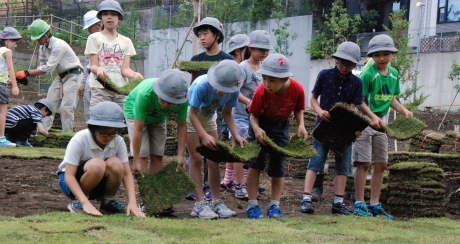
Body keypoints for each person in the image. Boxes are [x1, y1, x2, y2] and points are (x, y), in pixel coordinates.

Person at [299, 42, 381, 215]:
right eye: (342, 62)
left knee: (343, 166)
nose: (344, 67)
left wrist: (355, 129)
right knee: (315, 161)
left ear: (354, 64)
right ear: (336, 60)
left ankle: (338, 201)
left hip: (344, 132)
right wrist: (320, 111)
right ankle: (306, 198)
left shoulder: (356, 83)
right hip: (323, 128)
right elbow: (313, 98)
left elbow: (354, 107)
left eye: (349, 64)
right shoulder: (324, 75)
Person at [353, 34, 412, 220]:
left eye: (386, 54)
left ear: (392, 54)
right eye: (377, 54)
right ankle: (359, 203)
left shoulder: (394, 74)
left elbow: (391, 97)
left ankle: (375, 204)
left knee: (381, 163)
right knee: (363, 162)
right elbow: (358, 101)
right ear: (371, 55)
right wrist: (371, 117)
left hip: (381, 124)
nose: (381, 58)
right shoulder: (368, 74)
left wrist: (403, 110)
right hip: (364, 122)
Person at [56, 101, 145, 218]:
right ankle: (78, 203)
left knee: (117, 164)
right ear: (93, 129)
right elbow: (69, 176)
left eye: (113, 133)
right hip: (70, 182)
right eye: (103, 133)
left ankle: (108, 202)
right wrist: (84, 202)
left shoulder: (118, 140)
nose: (108, 137)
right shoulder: (80, 140)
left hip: (98, 182)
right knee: (97, 165)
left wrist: (132, 203)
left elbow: (127, 174)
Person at [246, 53, 308, 219]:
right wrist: (257, 129)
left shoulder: (297, 89)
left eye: (272, 80)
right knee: (255, 164)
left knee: (278, 167)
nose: (267, 84)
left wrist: (301, 125)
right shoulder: (261, 91)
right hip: (259, 124)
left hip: (281, 127)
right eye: (265, 79)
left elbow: (298, 109)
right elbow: (253, 115)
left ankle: (275, 205)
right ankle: (252, 205)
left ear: (285, 78)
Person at [124, 69, 190, 214]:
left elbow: (181, 125)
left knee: (157, 155)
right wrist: (135, 159)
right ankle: (146, 198)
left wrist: (180, 155)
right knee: (143, 155)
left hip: (159, 118)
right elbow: (139, 130)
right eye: (164, 101)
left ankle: (156, 196)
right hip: (135, 114)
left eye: (171, 103)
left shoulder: (183, 99)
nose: (166, 105)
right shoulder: (145, 94)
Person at [187, 60, 246, 219]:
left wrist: (236, 135)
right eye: (218, 87)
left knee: (214, 160)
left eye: (224, 89)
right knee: (196, 159)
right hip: (190, 117)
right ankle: (199, 204)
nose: (220, 91)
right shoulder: (201, 85)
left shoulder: (234, 90)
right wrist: (203, 135)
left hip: (208, 117)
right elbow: (191, 114)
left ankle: (216, 201)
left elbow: (227, 114)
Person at [186, 17, 234, 201]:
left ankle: (210, 192)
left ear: (217, 35)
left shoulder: (226, 60)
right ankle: (195, 189)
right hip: (195, 109)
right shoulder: (196, 60)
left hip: (217, 110)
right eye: (199, 35)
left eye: (206, 33)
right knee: (195, 155)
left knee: (213, 152)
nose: (202, 38)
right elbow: (192, 87)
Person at [225, 30, 273, 200]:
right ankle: (240, 185)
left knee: (252, 151)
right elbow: (234, 91)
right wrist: (248, 102)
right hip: (239, 115)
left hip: (256, 118)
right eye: (261, 49)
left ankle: (242, 182)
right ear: (250, 48)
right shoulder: (242, 68)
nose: (265, 53)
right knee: (240, 149)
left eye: (267, 50)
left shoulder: (265, 68)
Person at [15, 19, 82, 132]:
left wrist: (26, 72)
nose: (38, 41)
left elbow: (48, 68)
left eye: (39, 38)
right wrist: (24, 78)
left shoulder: (59, 46)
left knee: (66, 108)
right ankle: (42, 134)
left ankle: (67, 138)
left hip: (74, 75)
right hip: (61, 76)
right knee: (47, 105)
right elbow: (41, 69)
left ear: (47, 34)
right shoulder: (42, 48)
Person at [85, 0, 143, 110]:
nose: (109, 17)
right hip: (100, 89)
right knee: (99, 121)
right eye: (105, 14)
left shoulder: (126, 41)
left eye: (113, 14)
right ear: (101, 18)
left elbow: (124, 69)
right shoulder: (94, 38)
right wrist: (98, 70)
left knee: (121, 121)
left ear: (119, 18)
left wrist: (134, 74)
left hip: (120, 90)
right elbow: (93, 65)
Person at [219, 33, 250, 197]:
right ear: (240, 50)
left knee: (234, 147)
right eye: (249, 48)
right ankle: (241, 184)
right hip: (235, 113)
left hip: (234, 113)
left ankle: (227, 180)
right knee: (240, 148)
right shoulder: (237, 69)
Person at [79, 10, 102, 122]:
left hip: (104, 80)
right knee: (89, 111)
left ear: (98, 25)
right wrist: (82, 84)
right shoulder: (90, 41)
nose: (88, 30)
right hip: (90, 79)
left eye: (90, 27)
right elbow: (87, 65)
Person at [0, 27, 21, 147]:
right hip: (1, 86)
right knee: (3, 111)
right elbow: (10, 69)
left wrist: (6, 79)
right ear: (7, 40)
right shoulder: (6, 51)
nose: (15, 45)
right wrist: (14, 86)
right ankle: (1, 138)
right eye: (15, 42)